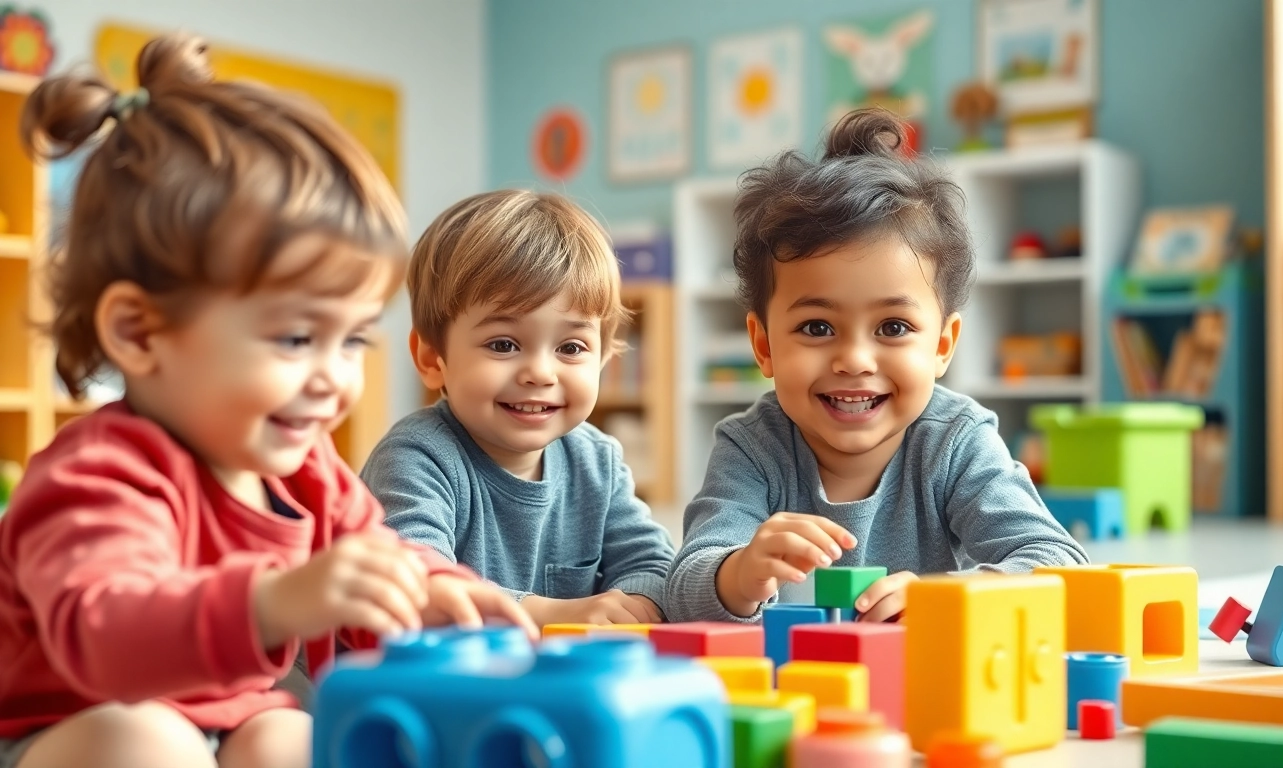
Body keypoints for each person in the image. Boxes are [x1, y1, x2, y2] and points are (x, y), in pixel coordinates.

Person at [0, 33, 533, 768]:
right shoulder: (98, 475)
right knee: (143, 740)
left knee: (296, 737)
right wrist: (276, 600)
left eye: (351, 342)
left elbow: (376, 555)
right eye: (294, 339)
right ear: (139, 331)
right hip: (68, 730)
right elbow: (103, 638)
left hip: (234, 722)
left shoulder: (306, 470)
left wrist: (433, 589)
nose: (332, 378)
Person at [665, 108, 1088, 624]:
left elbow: (1058, 562)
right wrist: (738, 574)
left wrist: (948, 597)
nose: (855, 361)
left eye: (892, 328)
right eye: (817, 328)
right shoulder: (753, 447)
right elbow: (685, 587)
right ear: (764, 345)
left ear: (942, 345)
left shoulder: (955, 440)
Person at [362, 190, 675, 628]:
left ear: (603, 360)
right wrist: (550, 615)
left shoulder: (597, 460)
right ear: (433, 360)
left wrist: (634, 606)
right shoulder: (417, 456)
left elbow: (653, 564)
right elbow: (418, 583)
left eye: (571, 347)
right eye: (504, 344)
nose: (540, 373)